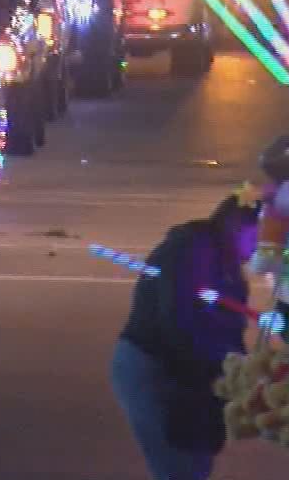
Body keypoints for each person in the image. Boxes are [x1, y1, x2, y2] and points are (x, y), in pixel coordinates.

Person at [112, 194, 259, 480]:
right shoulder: (192, 247)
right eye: (256, 238)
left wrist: (240, 370)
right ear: (237, 226)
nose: (256, 250)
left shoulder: (227, 264)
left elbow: (230, 329)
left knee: (195, 463)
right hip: (154, 366)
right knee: (178, 466)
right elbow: (179, 319)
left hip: (188, 373)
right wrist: (217, 364)